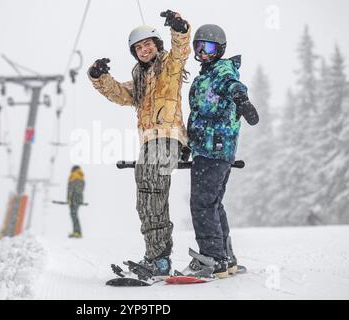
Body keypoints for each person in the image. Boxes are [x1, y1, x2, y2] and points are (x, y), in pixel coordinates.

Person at [88, 10, 191, 277]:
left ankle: (159, 259)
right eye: (138, 48)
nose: (143, 50)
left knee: (153, 196)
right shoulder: (140, 78)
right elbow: (121, 95)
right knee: (146, 200)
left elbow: (180, 52)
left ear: (157, 46)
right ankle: (156, 256)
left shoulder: (169, 67)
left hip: (166, 138)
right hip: (149, 142)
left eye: (148, 45)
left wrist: (179, 29)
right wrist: (100, 77)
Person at [184, 24, 259, 278]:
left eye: (210, 47)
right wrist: (188, 145)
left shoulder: (221, 70)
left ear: (221, 49)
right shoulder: (204, 75)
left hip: (213, 148)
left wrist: (242, 100)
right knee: (213, 203)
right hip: (209, 148)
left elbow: (231, 85)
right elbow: (197, 115)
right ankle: (226, 258)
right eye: (199, 46)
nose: (204, 52)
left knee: (202, 203)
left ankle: (212, 259)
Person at [67, 165, 85, 238]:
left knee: (74, 215)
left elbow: (70, 189)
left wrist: (69, 199)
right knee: (74, 214)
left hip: (73, 198)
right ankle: (76, 232)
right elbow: (81, 189)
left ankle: (77, 232)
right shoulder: (81, 177)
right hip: (79, 198)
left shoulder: (73, 176)